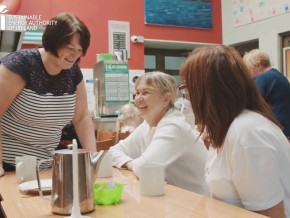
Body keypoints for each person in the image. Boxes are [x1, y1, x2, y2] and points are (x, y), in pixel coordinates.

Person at [180, 44, 290, 217]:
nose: (187, 96)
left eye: (187, 88)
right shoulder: (228, 128)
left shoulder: (246, 132)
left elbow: (270, 214)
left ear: (207, 90)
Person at [0, 13, 96, 177]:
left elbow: (81, 118)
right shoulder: (20, 65)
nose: (75, 56)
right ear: (53, 42)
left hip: (47, 164)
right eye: (70, 49)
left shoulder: (73, 73)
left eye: (80, 51)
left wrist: (94, 159)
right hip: (9, 165)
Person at [109, 71, 209, 195]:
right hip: (173, 199)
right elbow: (112, 152)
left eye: (145, 93)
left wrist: (129, 163)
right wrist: (133, 163)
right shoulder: (147, 124)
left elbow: (146, 168)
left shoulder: (174, 126)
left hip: (198, 205)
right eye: (137, 93)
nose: (138, 99)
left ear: (166, 99)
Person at [243, 49, 290, 139]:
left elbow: (252, 105)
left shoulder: (263, 78)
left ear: (258, 66)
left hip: (277, 130)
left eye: (250, 69)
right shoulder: (280, 76)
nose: (250, 75)